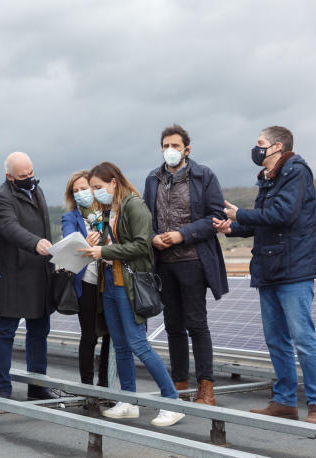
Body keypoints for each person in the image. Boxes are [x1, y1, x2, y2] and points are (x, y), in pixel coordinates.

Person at [213, 126, 316, 425]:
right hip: (269, 269)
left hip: (294, 270)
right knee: (276, 340)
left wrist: (240, 215)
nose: (256, 148)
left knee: (303, 339)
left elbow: (283, 214)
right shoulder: (268, 179)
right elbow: (262, 222)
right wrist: (232, 228)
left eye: (260, 143)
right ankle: (285, 402)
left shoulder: (297, 172)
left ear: (277, 146)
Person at [79, 162, 184, 427]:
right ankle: (128, 400)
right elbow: (111, 241)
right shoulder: (108, 210)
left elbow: (140, 245)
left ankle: (172, 401)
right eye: (92, 189)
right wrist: (97, 241)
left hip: (128, 284)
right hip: (110, 285)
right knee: (120, 344)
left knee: (138, 344)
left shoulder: (134, 205)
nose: (94, 193)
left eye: (98, 187)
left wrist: (104, 252)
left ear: (114, 182)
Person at [142, 124, 228, 405]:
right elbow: (147, 219)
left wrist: (183, 234)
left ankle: (206, 386)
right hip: (164, 263)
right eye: (166, 145)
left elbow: (215, 218)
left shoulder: (204, 176)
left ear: (187, 149)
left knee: (196, 323)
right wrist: (154, 238)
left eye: (175, 146)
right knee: (172, 325)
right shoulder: (153, 179)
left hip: (193, 261)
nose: (170, 150)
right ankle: (179, 383)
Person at [0, 151, 59, 400]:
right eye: (22, 176)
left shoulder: (36, 190)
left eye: (31, 173)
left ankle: (37, 386)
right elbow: (10, 228)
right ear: (9, 176)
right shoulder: (0, 198)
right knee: (5, 331)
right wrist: (35, 242)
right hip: (14, 276)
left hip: (40, 273)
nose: (29, 178)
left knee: (39, 332)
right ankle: (2, 388)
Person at [61, 170, 110, 387]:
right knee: (89, 335)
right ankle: (87, 387)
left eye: (84, 188)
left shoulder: (109, 213)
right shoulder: (71, 217)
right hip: (87, 283)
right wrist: (84, 243)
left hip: (110, 281)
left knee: (111, 336)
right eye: (76, 191)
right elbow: (68, 245)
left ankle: (106, 384)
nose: (81, 193)